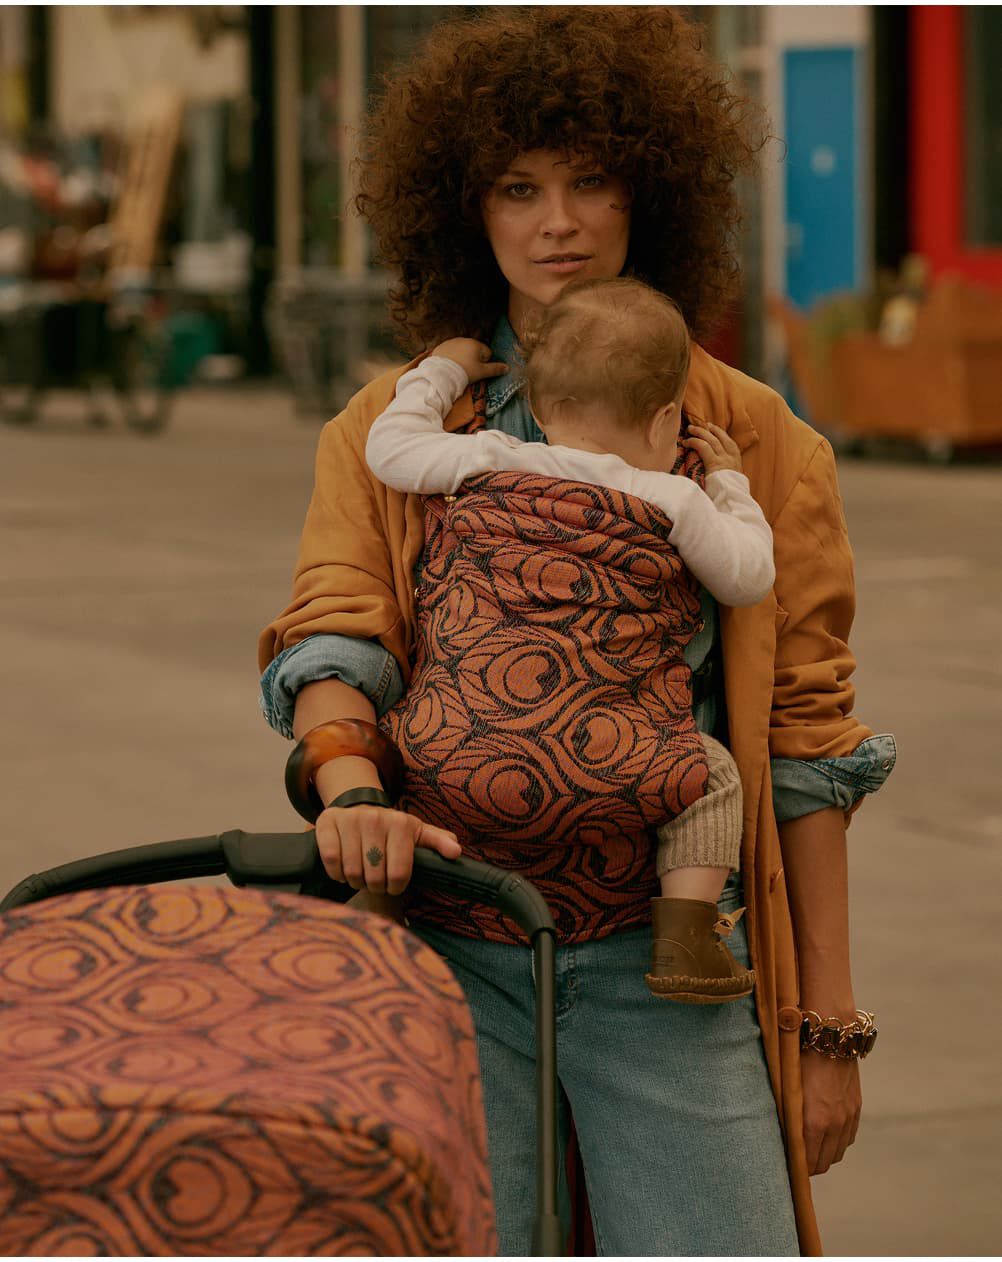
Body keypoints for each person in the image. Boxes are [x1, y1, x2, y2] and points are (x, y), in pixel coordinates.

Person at [258, 8, 896, 1255]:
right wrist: (347, 785)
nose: (556, 222)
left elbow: (808, 743)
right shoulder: (394, 427)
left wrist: (828, 1026)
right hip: (448, 935)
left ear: (647, 192)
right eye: (517, 187)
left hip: (673, 961)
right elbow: (335, 635)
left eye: (590, 181)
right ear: (467, 208)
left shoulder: (759, 442)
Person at [363, 277, 773, 1004]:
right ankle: (684, 935)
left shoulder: (489, 457)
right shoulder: (673, 495)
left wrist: (444, 370)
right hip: (611, 759)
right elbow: (746, 576)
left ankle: (383, 905)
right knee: (710, 774)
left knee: (413, 739)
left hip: (454, 755)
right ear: (666, 419)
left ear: (544, 408)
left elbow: (390, 449)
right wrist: (731, 485)